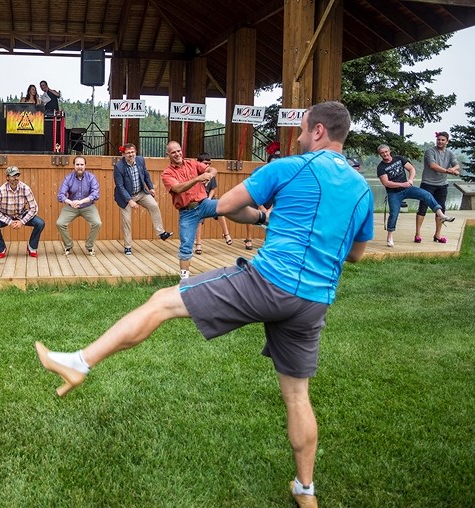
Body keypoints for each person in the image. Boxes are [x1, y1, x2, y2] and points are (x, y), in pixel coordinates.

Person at [35, 101, 374, 508]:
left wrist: (269, 218)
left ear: (318, 131)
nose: (298, 137)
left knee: (162, 302)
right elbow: (355, 254)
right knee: (298, 397)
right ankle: (305, 489)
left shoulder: (290, 168)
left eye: (302, 130)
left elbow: (227, 205)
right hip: (314, 302)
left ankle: (79, 363)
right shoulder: (361, 189)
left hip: (269, 282)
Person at [161, 142, 219, 279]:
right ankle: (184, 280)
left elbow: (213, 169)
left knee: (229, 205)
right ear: (168, 155)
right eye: (173, 152)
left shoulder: (192, 163)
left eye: (179, 151)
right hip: (187, 212)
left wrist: (209, 175)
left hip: (204, 203)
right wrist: (198, 178)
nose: (177, 154)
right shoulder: (167, 173)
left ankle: (260, 218)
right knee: (186, 246)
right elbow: (178, 188)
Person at [376, 144, 454, 247]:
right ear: (380, 154)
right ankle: (390, 236)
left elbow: (411, 169)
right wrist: (401, 184)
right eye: (382, 153)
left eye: (386, 151)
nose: (385, 154)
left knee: (426, 194)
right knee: (394, 213)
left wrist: (410, 179)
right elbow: (386, 183)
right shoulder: (381, 167)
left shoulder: (399, 159)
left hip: (407, 188)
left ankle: (441, 215)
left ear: (389, 151)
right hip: (394, 193)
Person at [113, 143, 173, 255]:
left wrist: (151, 187)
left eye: (132, 152)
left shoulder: (140, 160)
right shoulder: (119, 167)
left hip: (141, 192)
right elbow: (120, 186)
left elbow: (145, 174)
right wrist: (129, 200)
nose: (131, 155)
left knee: (154, 206)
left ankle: (161, 233)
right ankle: (127, 246)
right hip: (126, 197)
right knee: (127, 221)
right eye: (128, 153)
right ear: (123, 154)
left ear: (135, 152)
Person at [0, 166, 45, 258]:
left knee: (40, 223)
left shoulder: (25, 188)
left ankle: (32, 247)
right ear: (7, 177)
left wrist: (22, 221)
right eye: (13, 176)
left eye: (17, 175)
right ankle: (1, 249)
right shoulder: (1, 190)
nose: (16, 178)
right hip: (5, 215)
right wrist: (9, 222)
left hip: (22, 214)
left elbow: (34, 208)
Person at [416, 131, 460, 243]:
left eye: (442, 140)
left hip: (442, 185)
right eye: (438, 139)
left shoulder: (450, 153)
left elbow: (456, 164)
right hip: (427, 184)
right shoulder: (429, 151)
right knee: (422, 208)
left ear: (447, 142)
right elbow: (433, 165)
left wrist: (454, 169)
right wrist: (448, 171)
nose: (440, 141)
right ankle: (417, 234)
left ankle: (437, 235)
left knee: (441, 209)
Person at [56, 155, 102, 256]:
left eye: (82, 164)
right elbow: (60, 195)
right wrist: (70, 202)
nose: (79, 167)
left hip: (88, 206)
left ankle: (89, 246)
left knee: (97, 223)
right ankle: (68, 246)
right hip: (71, 206)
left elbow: (95, 194)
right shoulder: (68, 178)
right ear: (74, 166)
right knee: (60, 223)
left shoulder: (91, 178)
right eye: (77, 164)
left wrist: (81, 201)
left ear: (85, 166)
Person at [193, 153, 232, 255]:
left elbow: (213, 189)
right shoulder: (195, 174)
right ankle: (198, 244)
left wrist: (209, 198)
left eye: (209, 163)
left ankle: (226, 234)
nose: (208, 165)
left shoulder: (211, 174)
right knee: (199, 220)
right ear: (199, 163)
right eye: (205, 163)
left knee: (220, 210)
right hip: (198, 200)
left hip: (208, 198)